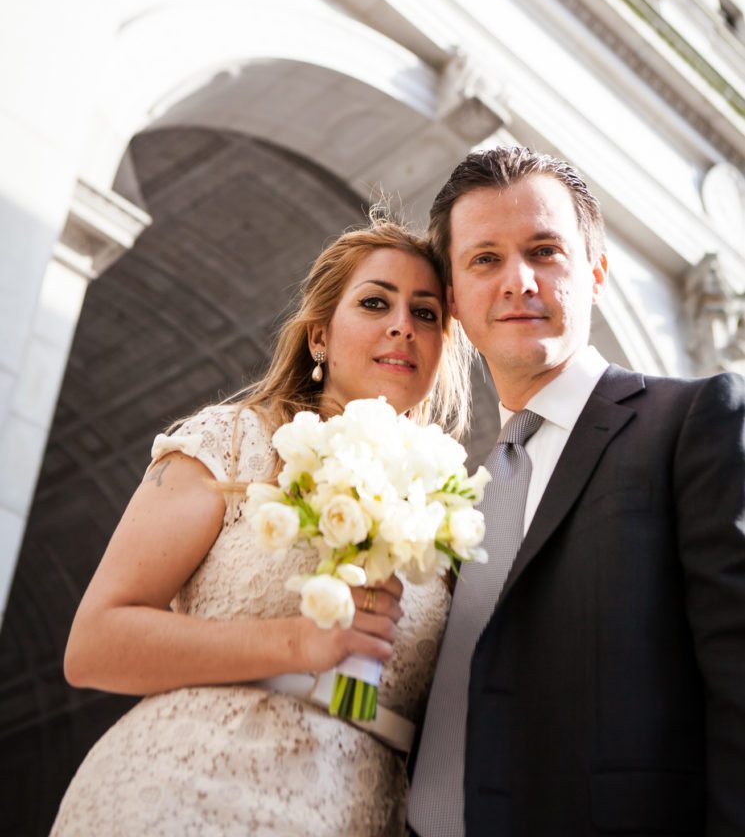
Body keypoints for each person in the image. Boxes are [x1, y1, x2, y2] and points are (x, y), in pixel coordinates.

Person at [52, 214, 472, 837]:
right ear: (320, 337)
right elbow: (94, 646)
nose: (401, 325)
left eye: (427, 313)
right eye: (375, 302)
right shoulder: (230, 443)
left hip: (352, 814)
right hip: (177, 799)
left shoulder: (452, 515)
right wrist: (299, 644)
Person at [408, 146, 745, 836]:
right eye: (483, 259)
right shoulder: (451, 501)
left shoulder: (691, 422)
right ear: (451, 301)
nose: (517, 281)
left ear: (593, 271)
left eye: (543, 250)